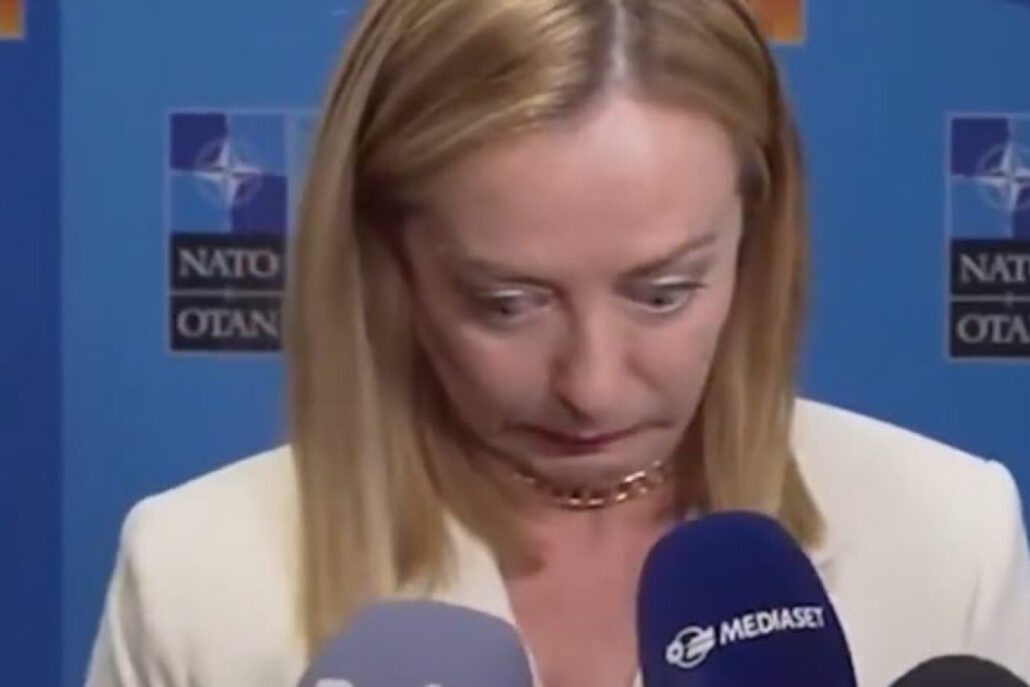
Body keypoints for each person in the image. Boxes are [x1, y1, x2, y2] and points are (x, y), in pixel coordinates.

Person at [85, 0, 1030, 685]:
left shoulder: (948, 537)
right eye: (507, 303)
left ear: (757, 238)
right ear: (385, 258)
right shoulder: (198, 578)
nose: (592, 383)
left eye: (662, 294)